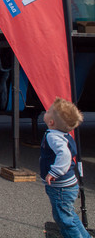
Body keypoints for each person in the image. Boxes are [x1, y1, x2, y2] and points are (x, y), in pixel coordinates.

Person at [40, 97, 89, 238]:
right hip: (68, 186)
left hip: (61, 187)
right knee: (69, 214)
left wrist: (55, 172)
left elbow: (65, 155)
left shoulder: (53, 137)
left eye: (49, 111)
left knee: (63, 219)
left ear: (51, 122)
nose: (46, 110)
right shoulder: (63, 135)